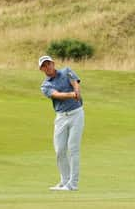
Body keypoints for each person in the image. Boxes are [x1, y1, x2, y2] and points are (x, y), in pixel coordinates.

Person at [39, 55, 84, 191]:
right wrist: (72, 95)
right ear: (41, 69)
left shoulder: (66, 71)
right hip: (61, 117)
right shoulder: (45, 85)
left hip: (76, 113)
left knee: (73, 148)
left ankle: (73, 184)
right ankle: (64, 181)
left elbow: (75, 82)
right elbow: (56, 95)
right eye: (44, 66)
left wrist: (76, 91)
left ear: (53, 63)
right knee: (59, 150)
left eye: (49, 64)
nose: (47, 67)